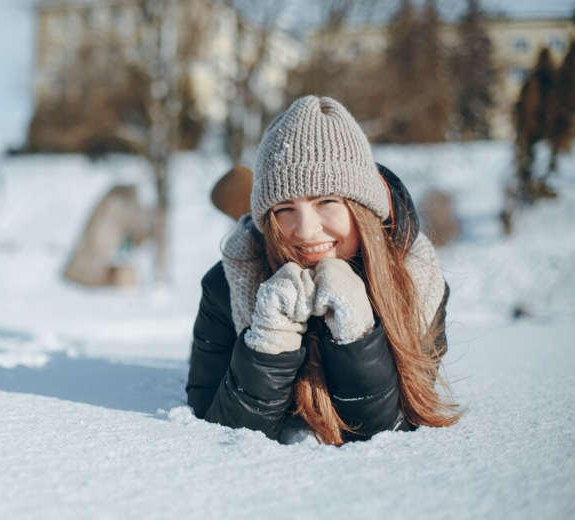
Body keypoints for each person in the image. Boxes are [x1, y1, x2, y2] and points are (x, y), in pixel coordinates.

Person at [187, 96, 462, 445]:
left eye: (326, 201)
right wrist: (268, 343)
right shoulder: (227, 283)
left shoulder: (416, 281)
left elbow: (392, 435)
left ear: (361, 207)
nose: (305, 230)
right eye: (285, 208)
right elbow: (215, 431)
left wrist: (358, 336)